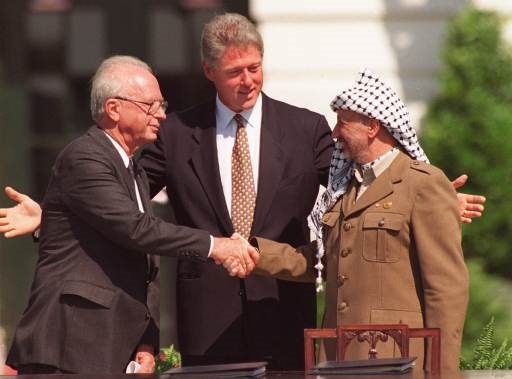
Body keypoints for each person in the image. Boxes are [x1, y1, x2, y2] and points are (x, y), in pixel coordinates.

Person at [0, 13, 484, 371]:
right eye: (235, 72)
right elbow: (122, 206)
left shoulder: (306, 127)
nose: (248, 80)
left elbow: (357, 187)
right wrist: (52, 215)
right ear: (210, 71)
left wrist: (432, 199)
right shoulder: (174, 131)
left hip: (285, 312)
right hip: (208, 321)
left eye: (255, 67)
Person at [3, 55, 258, 375]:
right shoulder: (84, 157)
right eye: (151, 105)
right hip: (70, 343)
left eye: (162, 105)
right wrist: (215, 245)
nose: (162, 115)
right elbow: (136, 229)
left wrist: (146, 342)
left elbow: (138, 257)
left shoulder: (133, 168)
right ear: (113, 108)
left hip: (110, 346)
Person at [231, 69, 469, 372]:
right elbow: (323, 261)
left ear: (371, 126)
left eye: (342, 123)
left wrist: (442, 372)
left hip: (395, 362)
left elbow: (446, 290)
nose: (334, 134)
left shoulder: (422, 184)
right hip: (338, 360)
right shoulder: (345, 189)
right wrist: (256, 252)